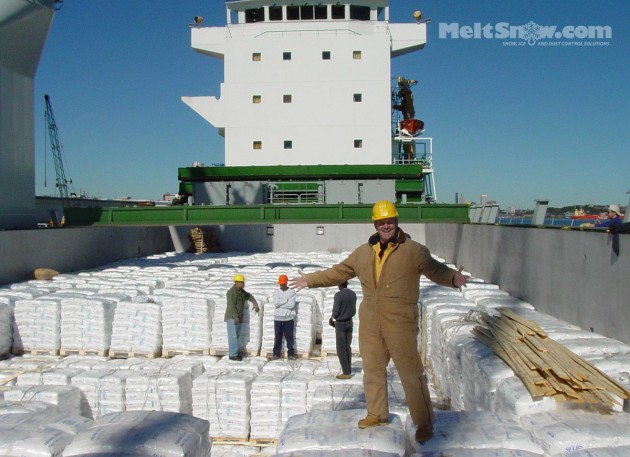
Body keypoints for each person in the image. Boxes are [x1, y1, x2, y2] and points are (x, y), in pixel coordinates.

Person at [290, 200, 469, 443]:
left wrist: (453, 278)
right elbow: (338, 271)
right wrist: (310, 280)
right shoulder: (363, 252)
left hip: (401, 322)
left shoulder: (414, 250)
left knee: (411, 374)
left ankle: (424, 422)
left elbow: (434, 269)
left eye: (390, 221)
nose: (386, 225)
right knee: (372, 370)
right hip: (371, 323)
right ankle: (377, 413)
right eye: (381, 222)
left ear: (396, 222)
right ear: (375, 224)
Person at [225, 273, 259, 361]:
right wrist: (235, 317)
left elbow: (249, 296)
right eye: (242, 282)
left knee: (237, 336)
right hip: (232, 318)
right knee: (232, 337)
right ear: (237, 282)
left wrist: (254, 302)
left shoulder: (241, 292)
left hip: (239, 318)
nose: (244, 284)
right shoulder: (230, 293)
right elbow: (231, 306)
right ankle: (233, 355)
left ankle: (235, 352)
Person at [330, 280, 357, 380]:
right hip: (350, 322)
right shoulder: (353, 294)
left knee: (341, 348)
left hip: (340, 323)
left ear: (339, 284)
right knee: (347, 347)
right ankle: (348, 369)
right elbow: (353, 309)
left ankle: (346, 372)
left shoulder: (338, 295)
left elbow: (336, 310)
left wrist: (333, 318)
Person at [272, 274, 298, 360]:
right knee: (278, 336)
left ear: (286, 283)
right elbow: (275, 303)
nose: (282, 285)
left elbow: (291, 305)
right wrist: (286, 300)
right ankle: (276, 353)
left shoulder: (292, 292)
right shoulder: (276, 292)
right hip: (278, 318)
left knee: (289, 337)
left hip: (288, 318)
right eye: (281, 284)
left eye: (283, 284)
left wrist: (280, 304)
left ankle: (291, 354)